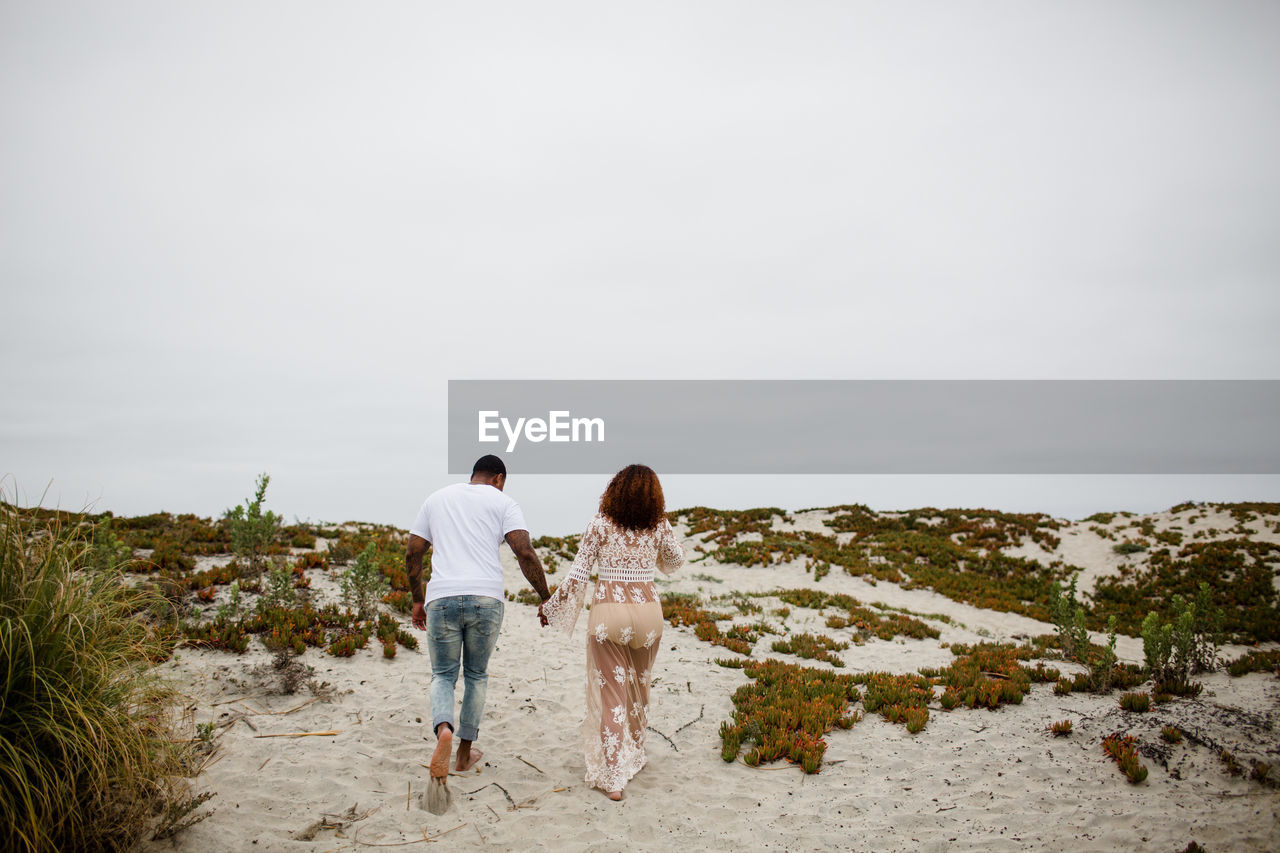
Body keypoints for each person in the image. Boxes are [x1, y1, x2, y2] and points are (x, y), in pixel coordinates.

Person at [539, 464, 684, 801]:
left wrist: (552, 608)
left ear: (614, 491)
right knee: (639, 689)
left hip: (609, 612)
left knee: (612, 696)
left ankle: (615, 776)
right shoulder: (659, 525)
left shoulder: (600, 524)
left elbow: (578, 574)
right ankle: (636, 754)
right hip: (649, 613)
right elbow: (675, 561)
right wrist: (654, 553)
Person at [407, 455, 551, 780]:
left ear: (474, 475)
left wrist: (418, 599)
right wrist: (545, 597)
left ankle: (443, 727)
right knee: (476, 675)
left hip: (441, 597)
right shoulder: (504, 502)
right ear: (498, 478)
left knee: (443, 675)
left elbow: (413, 551)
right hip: (486, 599)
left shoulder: (436, 499)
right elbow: (524, 552)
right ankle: (462, 753)